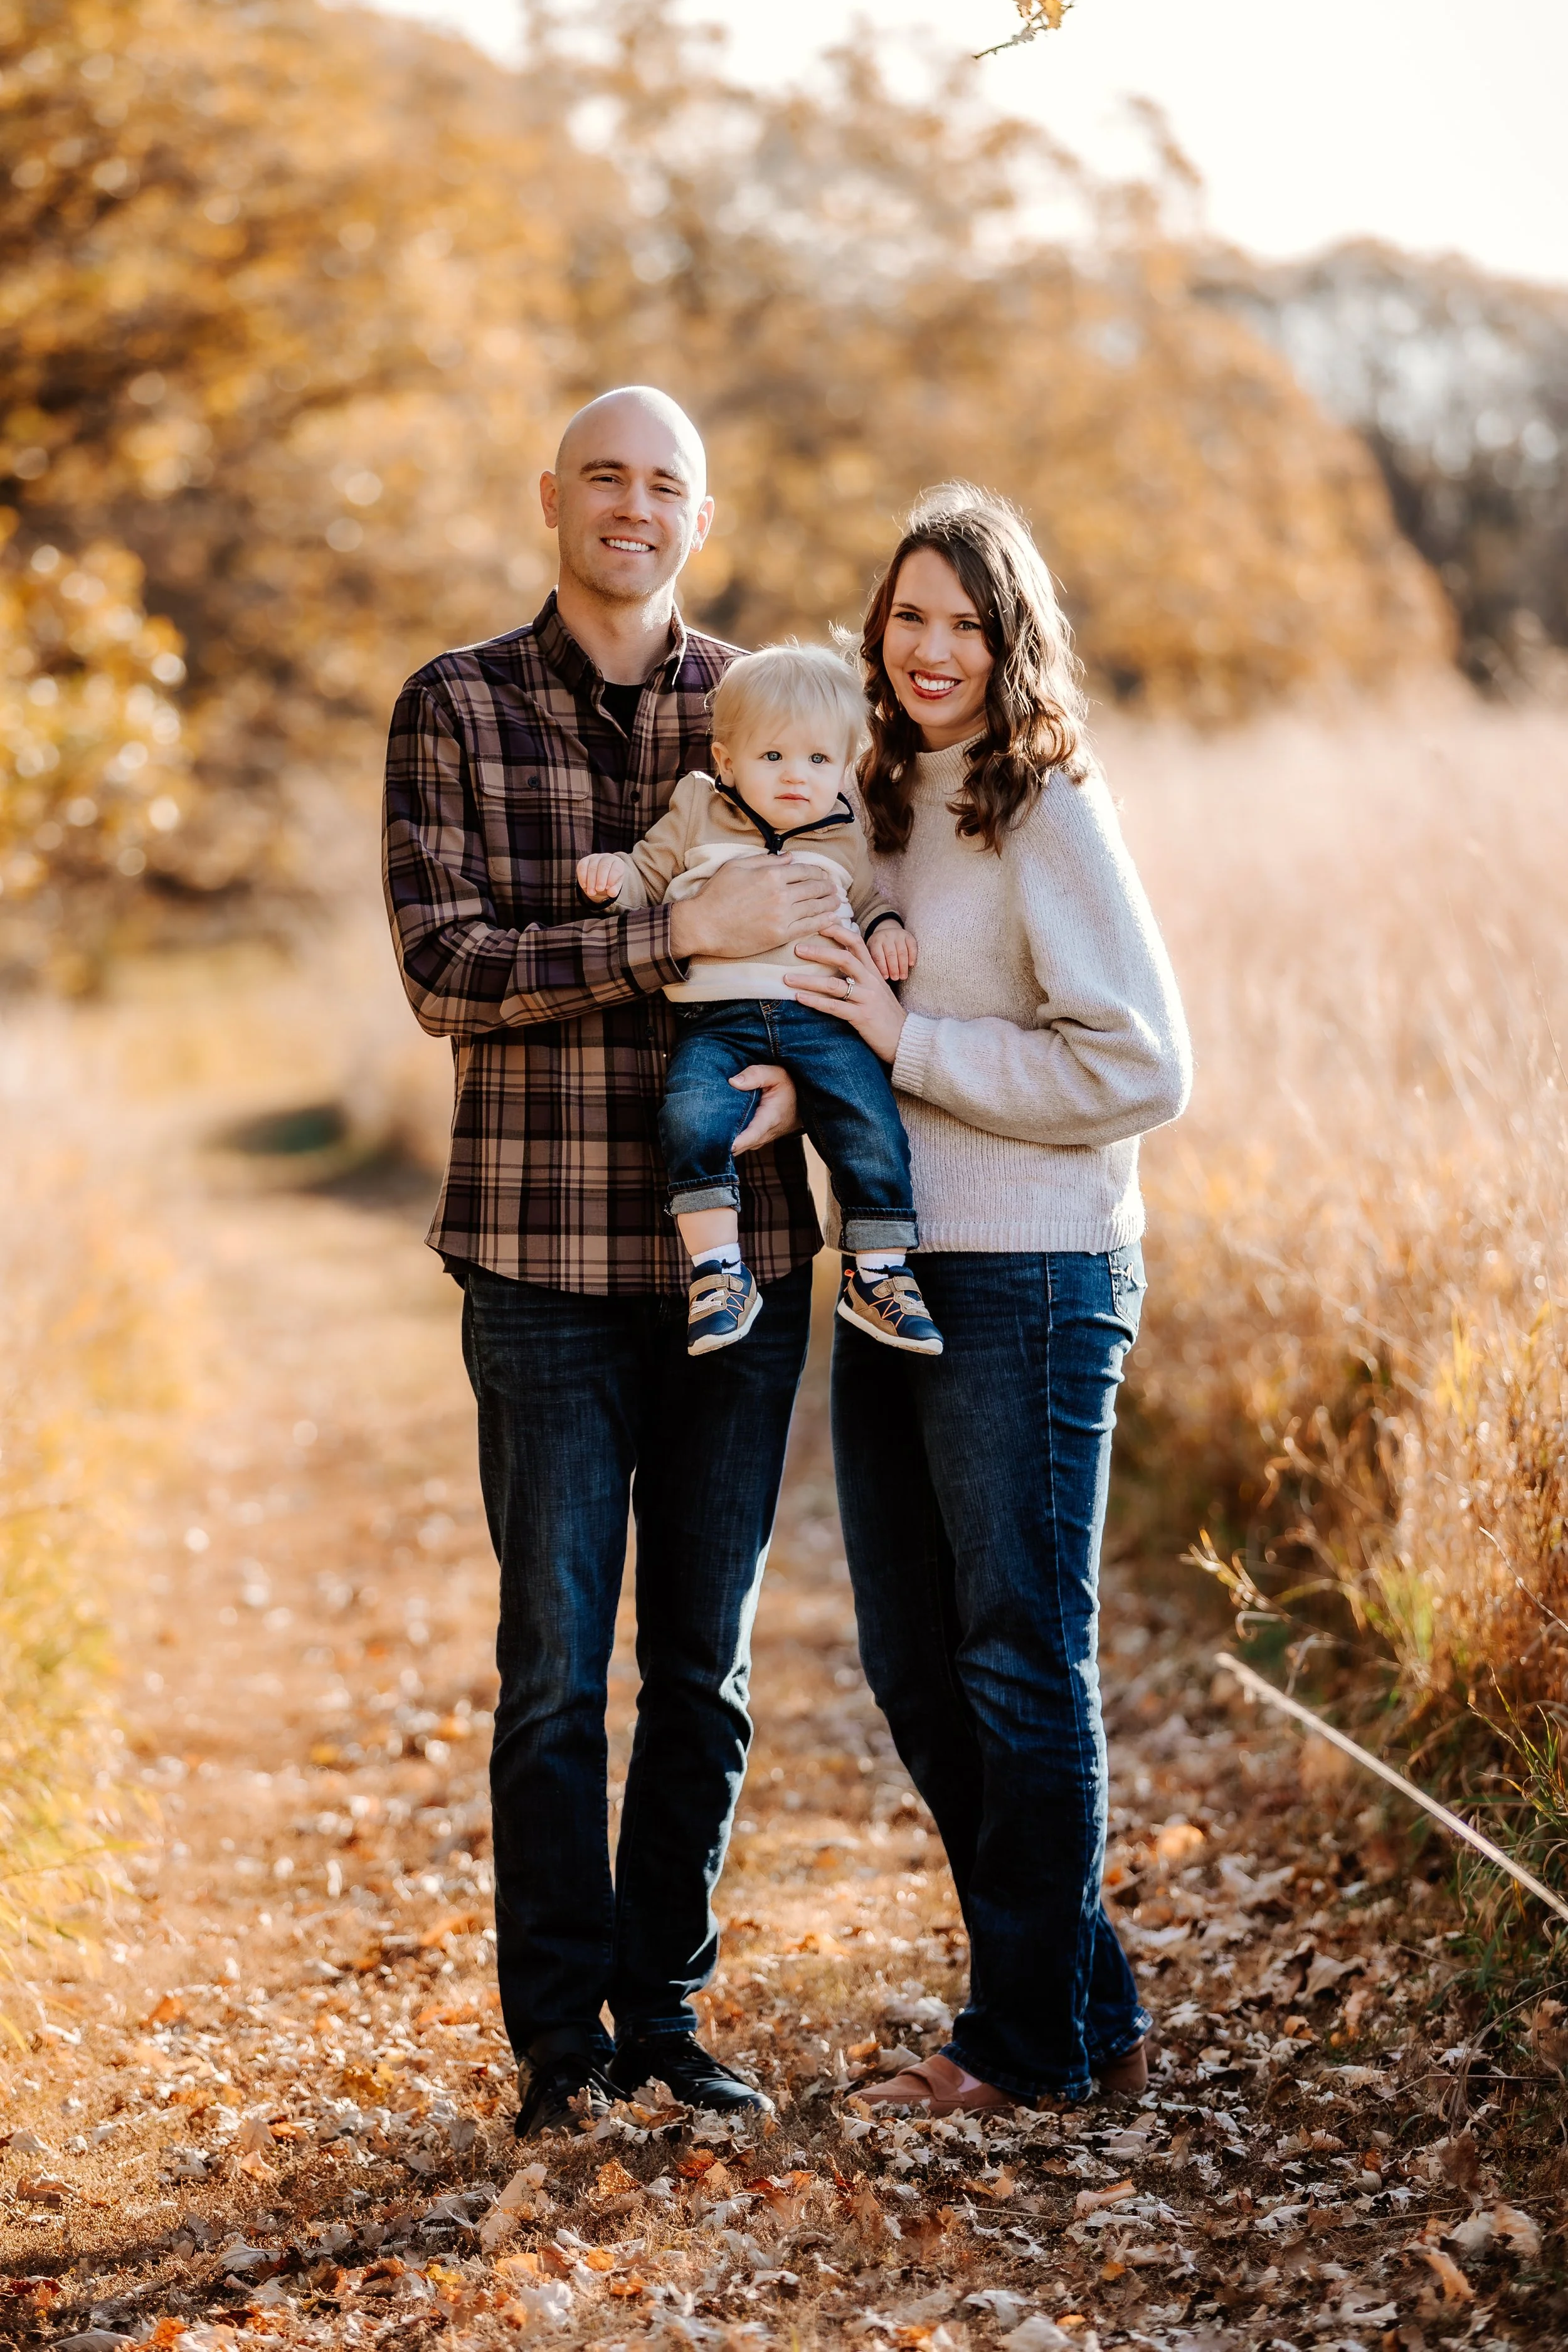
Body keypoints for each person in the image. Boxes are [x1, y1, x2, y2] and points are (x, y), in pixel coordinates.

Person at [382, 386, 830, 2135]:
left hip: (745, 1269)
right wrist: (667, 937)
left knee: (703, 1666)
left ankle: (669, 2013)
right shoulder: (455, 706)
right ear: (550, 500)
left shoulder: (771, 706)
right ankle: (558, 2043)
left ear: (697, 517)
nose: (632, 509)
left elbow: (847, 924)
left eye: (665, 486)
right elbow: (444, 969)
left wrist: (819, 1056)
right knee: (556, 1666)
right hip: (540, 1264)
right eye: (604, 480)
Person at [786, 485, 1192, 2114]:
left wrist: (911, 1048)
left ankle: (1020, 2042)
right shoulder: (877, 793)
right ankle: (1079, 1992)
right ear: (876, 631)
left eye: (964, 620)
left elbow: (1141, 1062)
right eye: (907, 617)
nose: (932, 647)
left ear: (1010, 637)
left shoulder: (1043, 802)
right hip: (893, 1265)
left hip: (1030, 1269)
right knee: (908, 1653)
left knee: (1018, 1653)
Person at [576, 643, 943, 1358]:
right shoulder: (696, 809)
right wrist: (611, 877)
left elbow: (867, 901)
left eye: (817, 761)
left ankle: (878, 1274)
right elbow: (647, 876)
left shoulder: (843, 831)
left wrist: (889, 929)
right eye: (772, 757)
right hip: (716, 1021)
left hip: (820, 1019)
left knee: (866, 1117)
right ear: (727, 759)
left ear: (843, 770)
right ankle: (717, 1271)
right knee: (690, 1116)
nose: (796, 778)